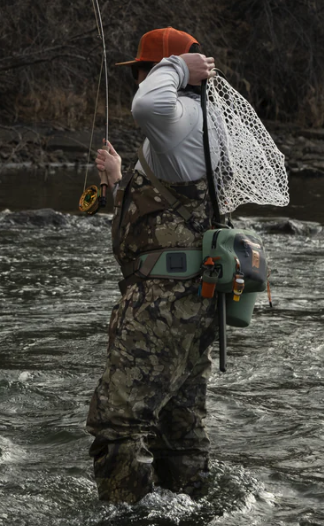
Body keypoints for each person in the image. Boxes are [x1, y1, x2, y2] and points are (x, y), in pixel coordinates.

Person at [85, 26, 221, 504]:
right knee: (176, 428)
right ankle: (191, 507)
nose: (136, 84)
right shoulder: (187, 124)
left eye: (142, 72)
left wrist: (178, 66)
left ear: (155, 72)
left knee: (116, 424)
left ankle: (127, 516)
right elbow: (162, 217)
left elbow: (145, 105)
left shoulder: (178, 114)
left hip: (163, 304)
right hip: (185, 301)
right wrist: (118, 183)